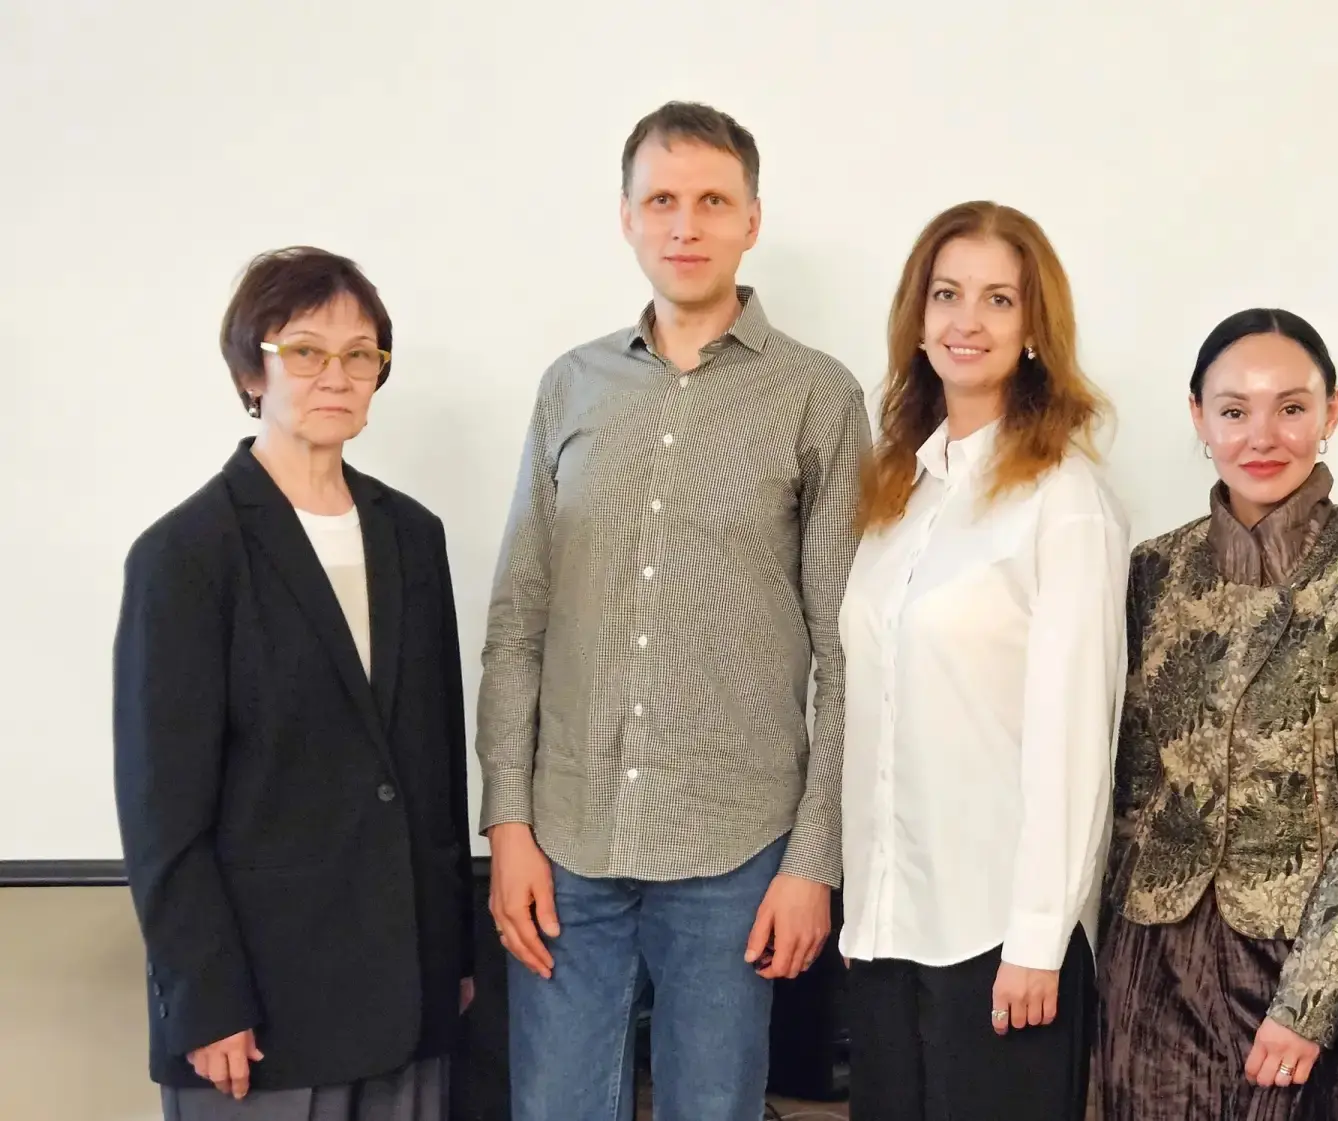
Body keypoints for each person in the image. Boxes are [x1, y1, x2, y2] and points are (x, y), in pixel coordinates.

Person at [476, 101, 869, 1121]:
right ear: (627, 218)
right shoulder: (570, 386)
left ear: (752, 219)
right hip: (565, 842)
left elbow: (846, 653)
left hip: (737, 849)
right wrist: (507, 823)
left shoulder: (817, 396)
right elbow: (517, 624)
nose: (685, 225)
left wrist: (814, 861)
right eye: (661, 200)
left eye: (712, 201)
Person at [113, 247, 475, 1120]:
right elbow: (162, 810)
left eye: (360, 354)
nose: (336, 375)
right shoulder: (185, 553)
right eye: (305, 351)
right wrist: (204, 997)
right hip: (259, 1012)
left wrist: (453, 952)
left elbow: (431, 765)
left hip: (407, 987)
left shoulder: (413, 536)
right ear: (252, 370)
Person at [1097, 308, 1338, 1120]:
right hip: (1154, 953)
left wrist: (1310, 1000)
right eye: (1233, 409)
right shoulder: (1156, 568)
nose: (1262, 435)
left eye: (1291, 407)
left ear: (1331, 412)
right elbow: (1134, 781)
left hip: (1300, 951)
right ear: (1198, 417)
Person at [836, 200, 1129, 1120]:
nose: (968, 320)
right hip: (886, 925)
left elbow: (1075, 735)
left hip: (997, 935)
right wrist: (861, 909)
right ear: (918, 318)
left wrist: (1039, 936)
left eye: (999, 299)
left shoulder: (1064, 499)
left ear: (1035, 326)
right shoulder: (896, 494)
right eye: (947, 294)